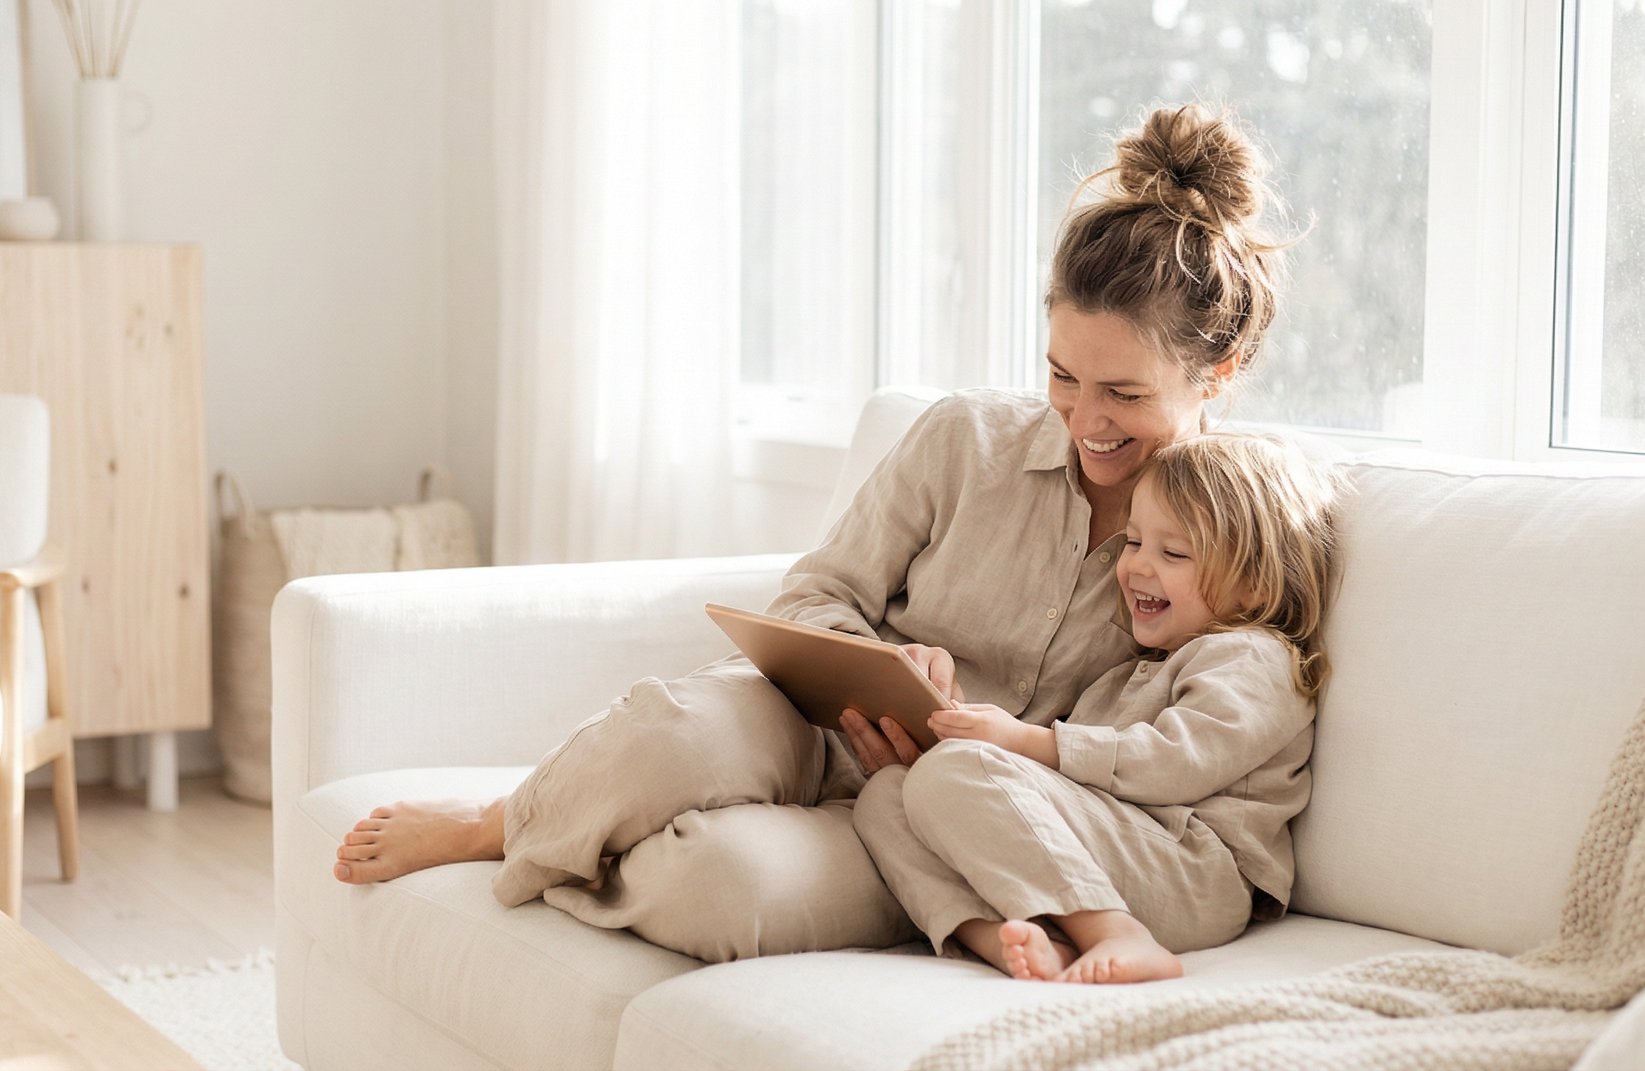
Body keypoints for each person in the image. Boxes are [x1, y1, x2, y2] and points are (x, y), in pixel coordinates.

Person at [331, 102, 1296, 965]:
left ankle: (593, 836)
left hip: (947, 820)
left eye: (1125, 393)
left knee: (719, 887)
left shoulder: (1233, 533)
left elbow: (1195, 742)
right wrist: (879, 662)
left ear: (1219, 372)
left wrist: (999, 763)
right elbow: (816, 591)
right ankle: (507, 821)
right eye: (1062, 376)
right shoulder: (966, 439)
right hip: (823, 726)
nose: (1084, 419)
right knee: (671, 733)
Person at [851, 433, 1343, 984]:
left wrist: (1021, 743)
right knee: (888, 792)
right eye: (1132, 542)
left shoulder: (1253, 656)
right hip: (1117, 855)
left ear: (1254, 584)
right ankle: (1000, 936)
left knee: (957, 770)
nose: (1136, 567)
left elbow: (1175, 763)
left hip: (1196, 873)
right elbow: (1059, 792)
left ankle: (1116, 934)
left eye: (1173, 552)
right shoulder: (1124, 676)